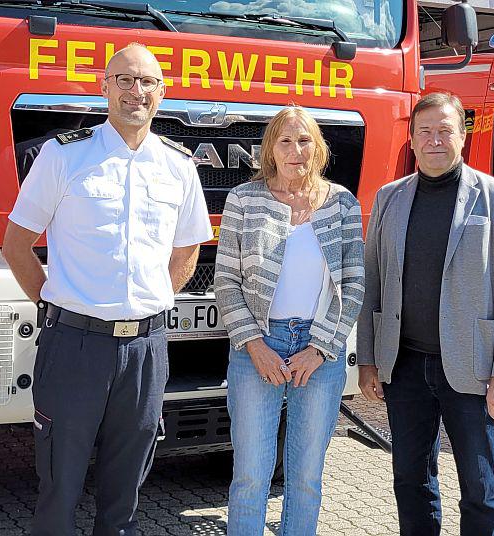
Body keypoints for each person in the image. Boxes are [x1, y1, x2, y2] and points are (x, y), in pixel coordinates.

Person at [1, 43, 212, 535]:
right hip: (74, 346)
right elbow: (16, 245)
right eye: (124, 79)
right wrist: (59, 305)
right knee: (59, 488)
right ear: (104, 87)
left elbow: (187, 252)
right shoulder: (62, 155)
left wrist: (151, 302)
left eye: (147, 82)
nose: (135, 91)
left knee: (125, 494)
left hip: (146, 348)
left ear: (162, 93)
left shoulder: (179, 166)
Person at [357, 92, 494, 536]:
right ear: (412, 141)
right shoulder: (389, 199)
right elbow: (372, 282)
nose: (435, 140)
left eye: (445, 130)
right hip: (406, 369)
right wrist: (369, 360)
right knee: (411, 482)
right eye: (425, 132)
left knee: (481, 489)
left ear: (462, 135)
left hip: (475, 373)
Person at [214, 106, 365, 535]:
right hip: (257, 346)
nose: (296, 150)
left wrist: (319, 348)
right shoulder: (244, 199)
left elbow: (353, 284)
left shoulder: (341, 203)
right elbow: (226, 281)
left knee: (305, 478)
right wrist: (255, 346)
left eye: (304, 141)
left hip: (318, 352)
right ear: (271, 150)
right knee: (250, 476)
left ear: (318, 148)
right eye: (285, 141)